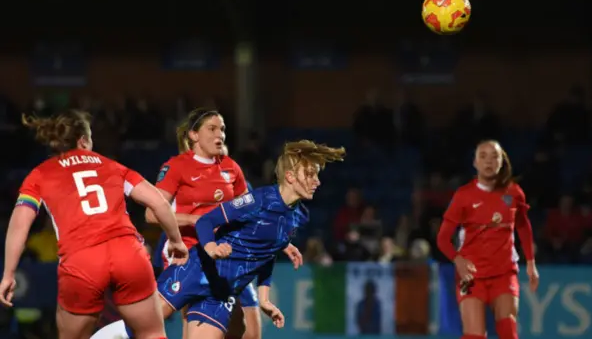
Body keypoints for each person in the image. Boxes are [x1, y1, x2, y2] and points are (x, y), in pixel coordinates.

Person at [93, 108, 302, 339]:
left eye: (222, 129)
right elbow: (152, 215)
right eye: (212, 129)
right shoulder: (176, 167)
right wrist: (196, 220)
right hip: (187, 252)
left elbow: (250, 213)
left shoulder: (231, 168)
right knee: (156, 320)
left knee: (247, 330)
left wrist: (281, 242)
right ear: (194, 135)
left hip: (223, 258)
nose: (219, 134)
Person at [0, 111, 189, 339]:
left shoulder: (39, 175)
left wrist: (9, 273)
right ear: (83, 141)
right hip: (128, 252)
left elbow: (20, 223)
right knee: (152, 334)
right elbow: (159, 202)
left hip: (82, 260)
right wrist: (176, 240)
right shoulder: (113, 166)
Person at [164, 140, 345, 339]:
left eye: (317, 175)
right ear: (290, 177)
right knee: (137, 330)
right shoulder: (259, 200)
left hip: (222, 293)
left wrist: (264, 299)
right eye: (310, 175)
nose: (317, 181)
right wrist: (212, 247)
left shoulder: (298, 216)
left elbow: (267, 253)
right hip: (197, 270)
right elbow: (206, 221)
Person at [436, 140, 539, 339]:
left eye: (494, 156)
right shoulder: (464, 196)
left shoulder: (514, 192)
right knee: (474, 335)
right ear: (474, 163)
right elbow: (442, 239)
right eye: (483, 156)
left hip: (504, 272)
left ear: (502, 162)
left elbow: (523, 226)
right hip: (472, 275)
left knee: (508, 330)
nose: (489, 161)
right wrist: (458, 260)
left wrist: (531, 263)